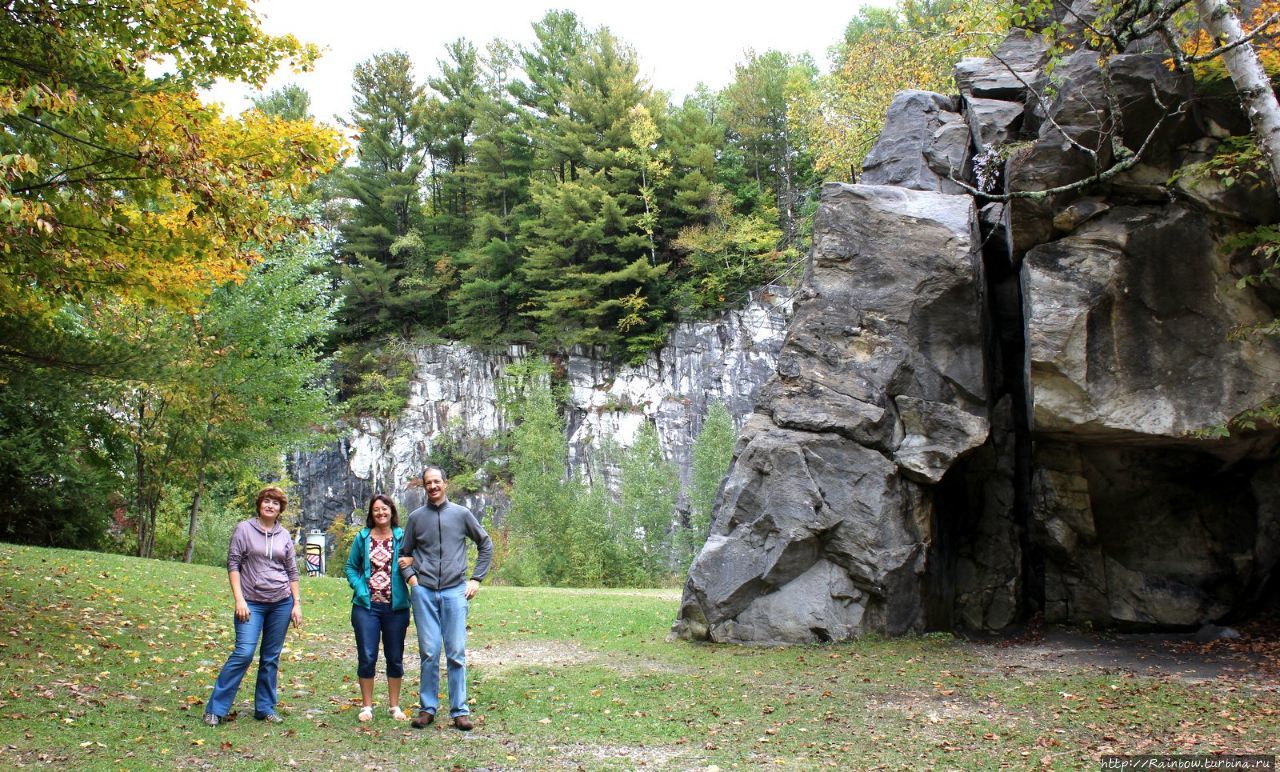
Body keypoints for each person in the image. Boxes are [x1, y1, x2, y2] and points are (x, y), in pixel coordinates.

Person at [398, 466, 493, 731]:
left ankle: (459, 711)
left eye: (436, 481)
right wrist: (412, 581)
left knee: (456, 652)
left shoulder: (462, 514)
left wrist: (476, 579)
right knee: (429, 652)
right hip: (424, 592)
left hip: (454, 591)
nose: (432, 486)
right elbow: (404, 554)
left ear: (445, 483)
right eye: (428, 483)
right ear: (424, 487)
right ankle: (427, 709)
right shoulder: (416, 518)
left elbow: (485, 543)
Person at [204, 486, 302, 726]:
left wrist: (296, 603)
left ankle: (265, 708)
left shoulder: (284, 535)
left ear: (280, 509)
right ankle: (215, 709)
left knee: (271, 657)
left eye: (275, 503)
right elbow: (233, 564)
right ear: (260, 504)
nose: (270, 506)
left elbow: (292, 571)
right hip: (251, 603)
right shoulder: (244, 529)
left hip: (281, 603)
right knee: (244, 652)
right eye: (267, 501)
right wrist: (239, 599)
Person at [344, 494, 411, 722]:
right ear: (371, 514)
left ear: (392, 511)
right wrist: (360, 587)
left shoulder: (403, 537)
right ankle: (367, 706)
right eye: (376, 510)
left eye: (384, 509)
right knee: (367, 655)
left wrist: (411, 564)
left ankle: (394, 706)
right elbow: (351, 567)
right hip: (366, 606)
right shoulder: (362, 537)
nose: (381, 513)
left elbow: (416, 560)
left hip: (396, 607)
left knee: (395, 656)